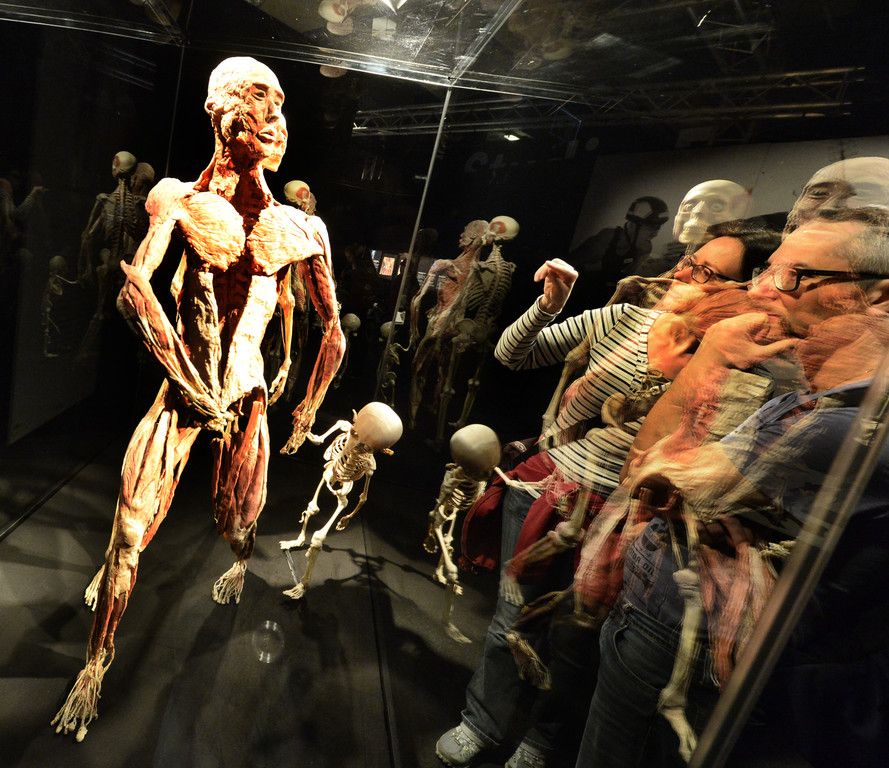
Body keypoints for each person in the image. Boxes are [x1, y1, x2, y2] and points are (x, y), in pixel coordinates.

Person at [51, 56, 345, 742]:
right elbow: (135, 288)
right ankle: (95, 665)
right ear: (220, 111)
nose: (274, 120)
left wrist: (308, 403)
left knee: (239, 523)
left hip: (246, 397)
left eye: (279, 106)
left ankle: (239, 563)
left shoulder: (304, 229)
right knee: (130, 530)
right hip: (185, 392)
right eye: (258, 101)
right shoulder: (178, 199)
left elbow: (332, 325)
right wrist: (184, 379)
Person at [436, 222, 778, 768]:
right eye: (690, 259)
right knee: (511, 615)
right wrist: (549, 306)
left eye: (708, 273)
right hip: (551, 487)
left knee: (578, 640)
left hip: (625, 513)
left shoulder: (735, 366)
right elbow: (512, 354)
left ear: (746, 288)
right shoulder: (623, 318)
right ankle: (482, 719)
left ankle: (542, 740)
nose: (685, 272)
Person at [574, 207, 889, 768]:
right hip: (664, 609)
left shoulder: (844, 425)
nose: (760, 290)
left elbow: (646, 474)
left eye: (793, 276)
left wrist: (709, 359)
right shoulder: (808, 390)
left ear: (878, 295)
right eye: (767, 270)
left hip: (695, 643)